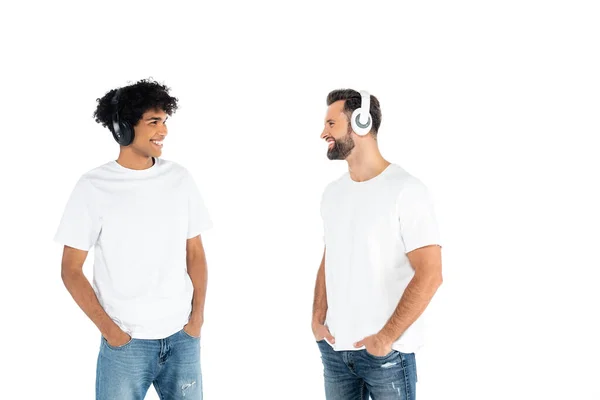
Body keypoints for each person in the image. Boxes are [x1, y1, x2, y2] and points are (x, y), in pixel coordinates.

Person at [54, 79, 212, 399]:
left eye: (164, 121)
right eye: (153, 122)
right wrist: (112, 333)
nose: (163, 131)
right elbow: (71, 269)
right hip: (126, 345)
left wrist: (196, 319)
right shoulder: (93, 186)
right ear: (123, 129)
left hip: (182, 338)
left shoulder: (179, 178)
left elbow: (194, 253)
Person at [312, 89, 443, 399]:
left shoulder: (407, 190)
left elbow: (430, 273)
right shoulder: (333, 193)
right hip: (335, 352)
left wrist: (386, 338)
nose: (323, 133)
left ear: (361, 121)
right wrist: (318, 319)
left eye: (331, 124)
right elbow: (331, 255)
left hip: (387, 355)